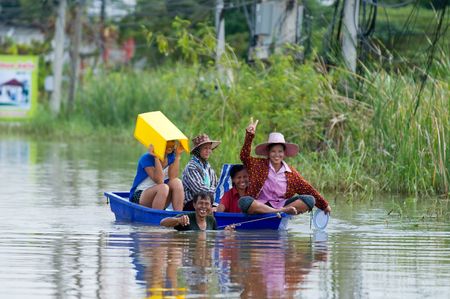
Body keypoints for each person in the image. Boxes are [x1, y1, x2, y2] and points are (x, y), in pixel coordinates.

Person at [239, 118, 332, 215]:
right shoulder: (258, 165)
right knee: (244, 201)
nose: (276, 155)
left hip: (282, 205)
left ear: (284, 153)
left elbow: (308, 189)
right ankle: (278, 212)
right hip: (260, 206)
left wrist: (324, 205)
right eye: (273, 151)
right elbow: (244, 157)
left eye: (280, 151)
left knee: (309, 199)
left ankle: (280, 211)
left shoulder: (291, 173)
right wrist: (249, 136)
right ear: (268, 153)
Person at [129, 140, 184, 211]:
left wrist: (177, 156)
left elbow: (173, 177)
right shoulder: (146, 158)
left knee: (177, 182)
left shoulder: (171, 156)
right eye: (167, 142)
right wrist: (156, 157)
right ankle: (156, 217)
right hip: (141, 195)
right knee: (163, 187)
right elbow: (160, 181)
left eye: (172, 141)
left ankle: (179, 216)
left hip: (162, 195)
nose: (171, 145)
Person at [182, 134, 220, 211]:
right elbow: (199, 190)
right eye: (205, 148)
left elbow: (216, 184)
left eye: (209, 148)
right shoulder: (191, 167)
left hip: (207, 201)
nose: (208, 151)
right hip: (192, 203)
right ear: (198, 150)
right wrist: (216, 191)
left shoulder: (209, 168)